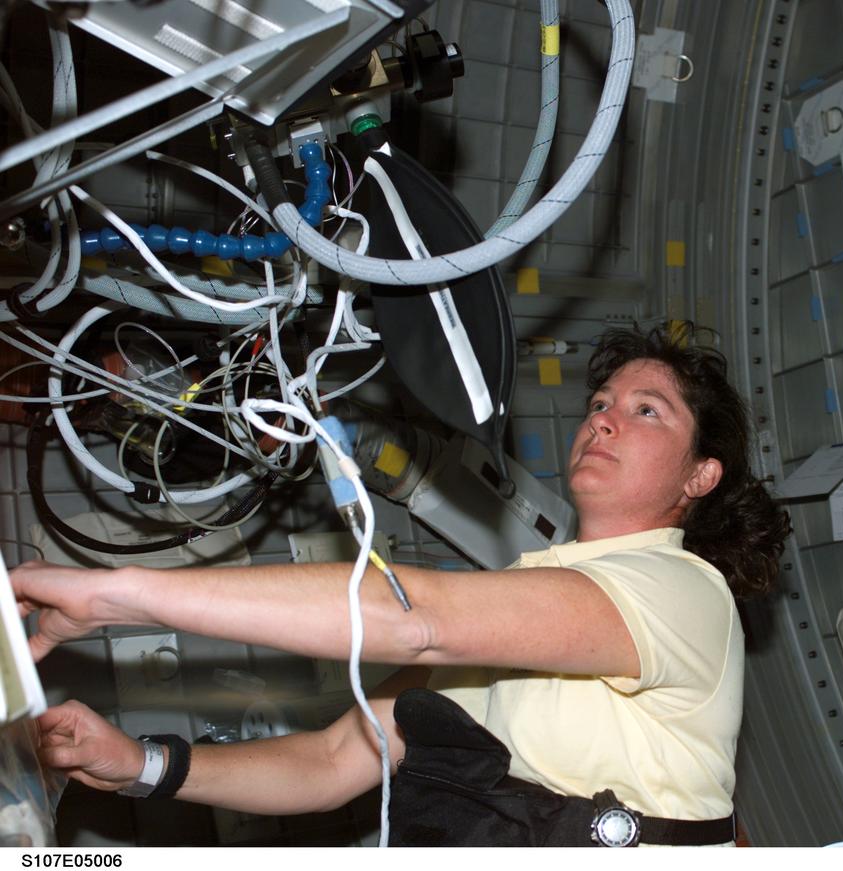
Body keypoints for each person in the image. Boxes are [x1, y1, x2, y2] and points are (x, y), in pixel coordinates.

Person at [12, 324, 792, 847]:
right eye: (598, 403)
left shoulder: (684, 589)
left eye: (644, 409)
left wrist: (122, 592)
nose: (603, 420)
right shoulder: (521, 605)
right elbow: (330, 761)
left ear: (700, 474)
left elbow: (416, 619)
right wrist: (142, 764)